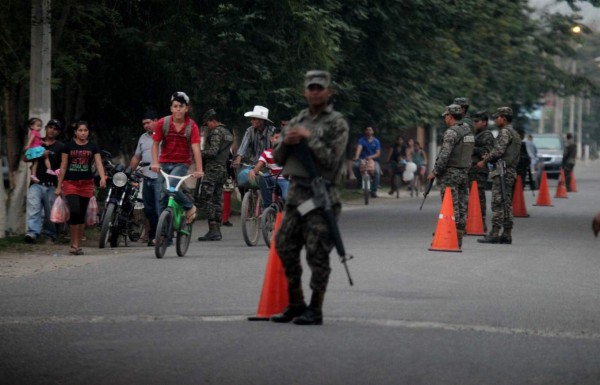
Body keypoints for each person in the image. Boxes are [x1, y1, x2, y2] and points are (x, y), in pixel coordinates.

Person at [271, 70, 349, 326]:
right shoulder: (297, 120)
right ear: (305, 91)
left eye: (320, 88)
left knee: (317, 252)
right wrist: (287, 141)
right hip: (296, 193)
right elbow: (279, 158)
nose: (315, 92)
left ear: (328, 92)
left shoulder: (337, 123)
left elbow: (331, 159)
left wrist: (309, 137)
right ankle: (296, 303)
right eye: (311, 88)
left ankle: (315, 308)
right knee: (284, 245)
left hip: (321, 194)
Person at [151, 92, 204, 225]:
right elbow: (155, 144)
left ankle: (189, 206)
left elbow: (196, 149)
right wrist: (155, 162)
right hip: (163, 163)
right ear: (171, 108)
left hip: (181, 164)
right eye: (175, 106)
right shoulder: (163, 123)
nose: (178, 109)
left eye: (181, 106)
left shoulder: (192, 126)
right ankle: (163, 235)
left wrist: (199, 170)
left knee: (170, 188)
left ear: (187, 108)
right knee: (161, 198)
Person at [55, 121, 107, 255]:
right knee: (75, 210)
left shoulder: (93, 147)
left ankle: (77, 244)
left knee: (81, 213)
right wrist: (59, 186)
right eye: (80, 130)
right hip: (71, 182)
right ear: (75, 132)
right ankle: (73, 243)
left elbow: (99, 163)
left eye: (85, 130)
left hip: (86, 183)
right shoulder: (68, 146)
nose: (83, 133)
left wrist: (102, 177)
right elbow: (64, 166)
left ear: (88, 132)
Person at [427, 104, 474, 248]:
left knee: (450, 205)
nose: (445, 119)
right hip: (464, 172)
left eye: (446, 116)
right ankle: (458, 237)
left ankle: (449, 236)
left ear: (451, 116)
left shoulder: (451, 132)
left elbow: (445, 155)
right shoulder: (468, 131)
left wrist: (434, 171)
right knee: (462, 204)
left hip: (451, 173)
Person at [477, 107, 521, 245]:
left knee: (497, 203)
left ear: (504, 118)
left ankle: (495, 233)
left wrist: (484, 160)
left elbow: (498, 151)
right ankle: (507, 233)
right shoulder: (515, 134)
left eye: (497, 117)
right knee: (506, 203)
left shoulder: (505, 132)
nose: (495, 120)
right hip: (511, 171)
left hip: (502, 171)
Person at [24, 119, 65, 244]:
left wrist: (59, 187)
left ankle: (49, 235)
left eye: (55, 128)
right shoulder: (37, 142)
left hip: (52, 185)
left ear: (58, 132)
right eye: (50, 127)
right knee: (33, 209)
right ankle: (32, 233)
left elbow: (63, 167)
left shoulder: (61, 147)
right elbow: (25, 158)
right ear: (46, 128)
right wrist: (39, 155)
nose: (52, 130)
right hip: (36, 184)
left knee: (49, 212)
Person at [196, 109, 233, 241]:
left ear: (213, 121)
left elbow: (213, 151)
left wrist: (198, 153)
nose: (207, 127)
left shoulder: (216, 132)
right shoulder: (228, 132)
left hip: (213, 169)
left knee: (205, 198)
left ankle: (213, 228)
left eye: (207, 124)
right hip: (222, 169)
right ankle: (217, 229)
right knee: (217, 199)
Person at [129, 111, 160, 246]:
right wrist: (128, 172)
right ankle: (153, 235)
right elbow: (137, 157)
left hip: (160, 178)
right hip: (146, 177)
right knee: (149, 209)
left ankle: (163, 234)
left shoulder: (164, 135)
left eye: (148, 122)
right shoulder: (143, 137)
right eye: (144, 124)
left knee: (160, 207)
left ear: (156, 121)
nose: (146, 126)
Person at [248, 127, 289, 208]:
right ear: (271, 139)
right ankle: (268, 207)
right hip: (273, 179)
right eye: (276, 138)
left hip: (285, 180)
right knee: (263, 177)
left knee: (286, 198)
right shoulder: (266, 153)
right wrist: (253, 171)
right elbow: (259, 165)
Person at [468, 110, 495, 230]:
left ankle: (481, 222)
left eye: (477, 121)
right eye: (473, 121)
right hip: (472, 168)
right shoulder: (475, 135)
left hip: (480, 169)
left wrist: (472, 148)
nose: (474, 123)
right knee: (473, 196)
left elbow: (487, 151)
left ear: (484, 122)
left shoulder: (487, 135)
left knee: (479, 196)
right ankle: (473, 221)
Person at [232, 105, 276, 170]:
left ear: (262, 121)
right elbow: (243, 148)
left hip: (269, 166)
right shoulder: (250, 130)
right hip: (254, 165)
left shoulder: (272, 131)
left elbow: (277, 149)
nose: (251, 121)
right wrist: (238, 159)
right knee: (242, 177)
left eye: (254, 119)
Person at [352, 126, 381, 198]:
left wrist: (370, 157)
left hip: (374, 160)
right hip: (362, 159)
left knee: (377, 172)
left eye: (370, 130)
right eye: (367, 130)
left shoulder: (376, 141)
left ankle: (374, 191)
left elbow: (378, 153)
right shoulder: (362, 140)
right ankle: (359, 181)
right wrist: (356, 156)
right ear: (365, 131)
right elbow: (359, 148)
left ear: (373, 132)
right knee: (355, 166)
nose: (368, 131)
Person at [24, 118, 54, 183]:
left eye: (40, 126)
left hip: (35, 148)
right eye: (37, 126)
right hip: (36, 148)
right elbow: (31, 139)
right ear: (31, 126)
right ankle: (49, 169)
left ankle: (33, 175)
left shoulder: (35, 132)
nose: (39, 127)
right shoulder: (34, 132)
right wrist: (28, 145)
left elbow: (39, 140)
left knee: (35, 162)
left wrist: (45, 143)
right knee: (46, 157)